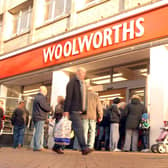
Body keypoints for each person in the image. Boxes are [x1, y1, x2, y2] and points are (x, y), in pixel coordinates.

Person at [64, 67, 91, 155]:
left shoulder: (81, 83)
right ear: (79, 73)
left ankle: (57, 146)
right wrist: (66, 110)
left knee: (68, 130)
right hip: (73, 110)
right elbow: (69, 97)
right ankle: (84, 148)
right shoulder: (72, 82)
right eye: (83, 73)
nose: (84, 75)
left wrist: (83, 109)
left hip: (78, 110)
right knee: (79, 129)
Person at [32, 86, 51, 151]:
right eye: (46, 91)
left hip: (36, 116)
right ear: (43, 91)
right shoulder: (41, 98)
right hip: (40, 117)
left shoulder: (36, 97)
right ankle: (37, 146)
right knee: (39, 132)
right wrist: (50, 108)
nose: (46, 93)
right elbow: (45, 107)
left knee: (37, 132)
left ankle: (35, 146)